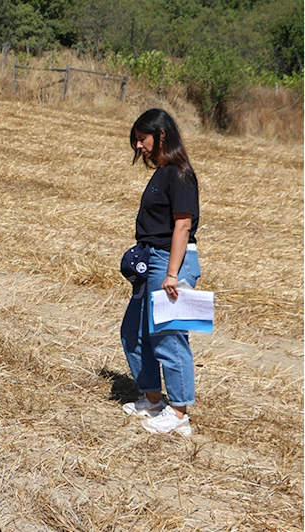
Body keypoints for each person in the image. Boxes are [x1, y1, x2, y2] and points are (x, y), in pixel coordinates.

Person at [120, 108, 201, 436]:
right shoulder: (163, 172)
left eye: (142, 138)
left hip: (173, 261)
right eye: (136, 140)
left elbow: (183, 225)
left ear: (161, 135)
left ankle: (179, 413)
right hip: (153, 259)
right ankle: (153, 399)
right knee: (134, 333)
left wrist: (171, 274)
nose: (138, 146)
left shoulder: (181, 173)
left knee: (168, 336)